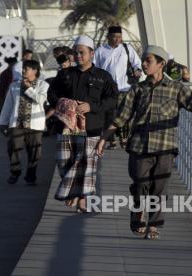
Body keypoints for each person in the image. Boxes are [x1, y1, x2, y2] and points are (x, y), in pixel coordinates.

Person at [96, 45, 192, 239]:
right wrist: (104, 138)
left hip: (165, 148)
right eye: (143, 61)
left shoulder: (176, 89)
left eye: (148, 61)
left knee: (159, 188)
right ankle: (138, 215)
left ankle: (154, 225)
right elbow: (122, 117)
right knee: (139, 185)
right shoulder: (138, 89)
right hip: (139, 147)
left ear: (161, 64)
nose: (143, 64)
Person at [48, 35, 118, 213]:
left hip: (91, 128)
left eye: (82, 52)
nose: (78, 56)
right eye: (76, 53)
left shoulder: (103, 77)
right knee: (64, 161)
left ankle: (81, 199)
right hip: (66, 127)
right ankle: (72, 190)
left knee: (86, 164)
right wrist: (63, 104)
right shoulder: (65, 74)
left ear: (92, 53)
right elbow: (51, 94)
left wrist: (91, 106)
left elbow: (113, 99)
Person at [0, 60, 49, 185]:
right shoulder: (14, 85)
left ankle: (31, 177)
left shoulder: (43, 85)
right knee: (13, 147)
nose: (23, 71)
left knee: (34, 152)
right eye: (23, 69)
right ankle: (15, 171)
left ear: (35, 71)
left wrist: (28, 88)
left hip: (35, 125)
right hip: (17, 123)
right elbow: (8, 104)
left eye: (26, 69)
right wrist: (3, 122)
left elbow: (40, 100)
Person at [94, 26, 142, 150]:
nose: (117, 39)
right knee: (108, 114)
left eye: (119, 37)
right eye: (114, 37)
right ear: (108, 37)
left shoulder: (127, 48)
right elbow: (95, 68)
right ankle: (111, 140)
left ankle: (124, 138)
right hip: (107, 89)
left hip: (124, 88)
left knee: (124, 114)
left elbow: (137, 62)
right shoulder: (100, 50)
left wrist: (137, 70)